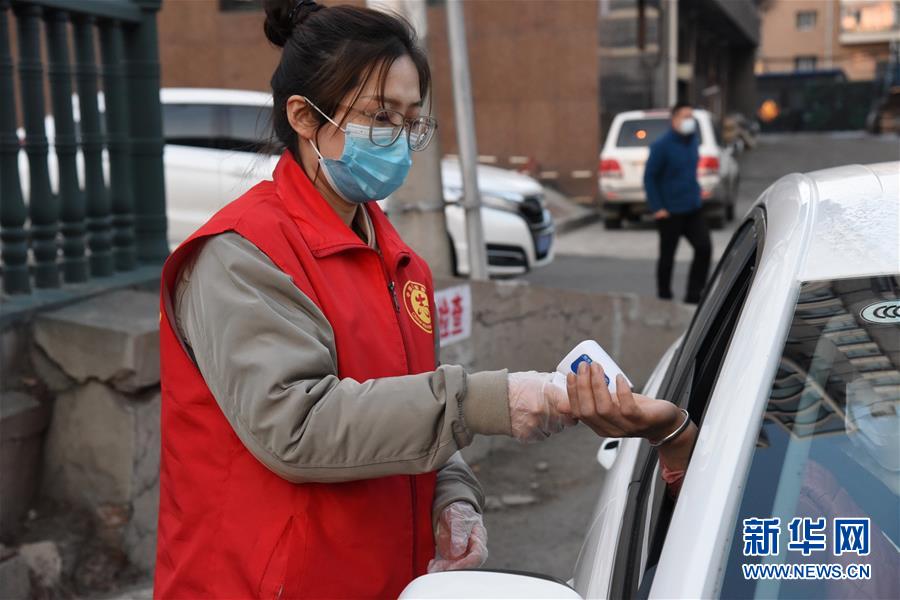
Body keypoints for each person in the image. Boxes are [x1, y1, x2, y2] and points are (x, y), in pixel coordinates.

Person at [153, 2, 696, 598]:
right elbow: (298, 427)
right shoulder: (241, 255)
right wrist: (489, 401)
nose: (399, 139)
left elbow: (403, 404)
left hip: (382, 578)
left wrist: (452, 494)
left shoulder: (394, 256)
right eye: (380, 116)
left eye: (411, 120)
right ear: (305, 117)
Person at [643, 102, 712, 304]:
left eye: (691, 116)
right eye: (685, 116)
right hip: (669, 211)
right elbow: (650, 177)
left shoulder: (693, 141)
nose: (689, 121)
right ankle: (664, 296)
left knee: (704, 247)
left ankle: (694, 294)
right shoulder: (661, 146)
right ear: (674, 120)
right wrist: (657, 207)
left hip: (692, 207)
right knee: (667, 256)